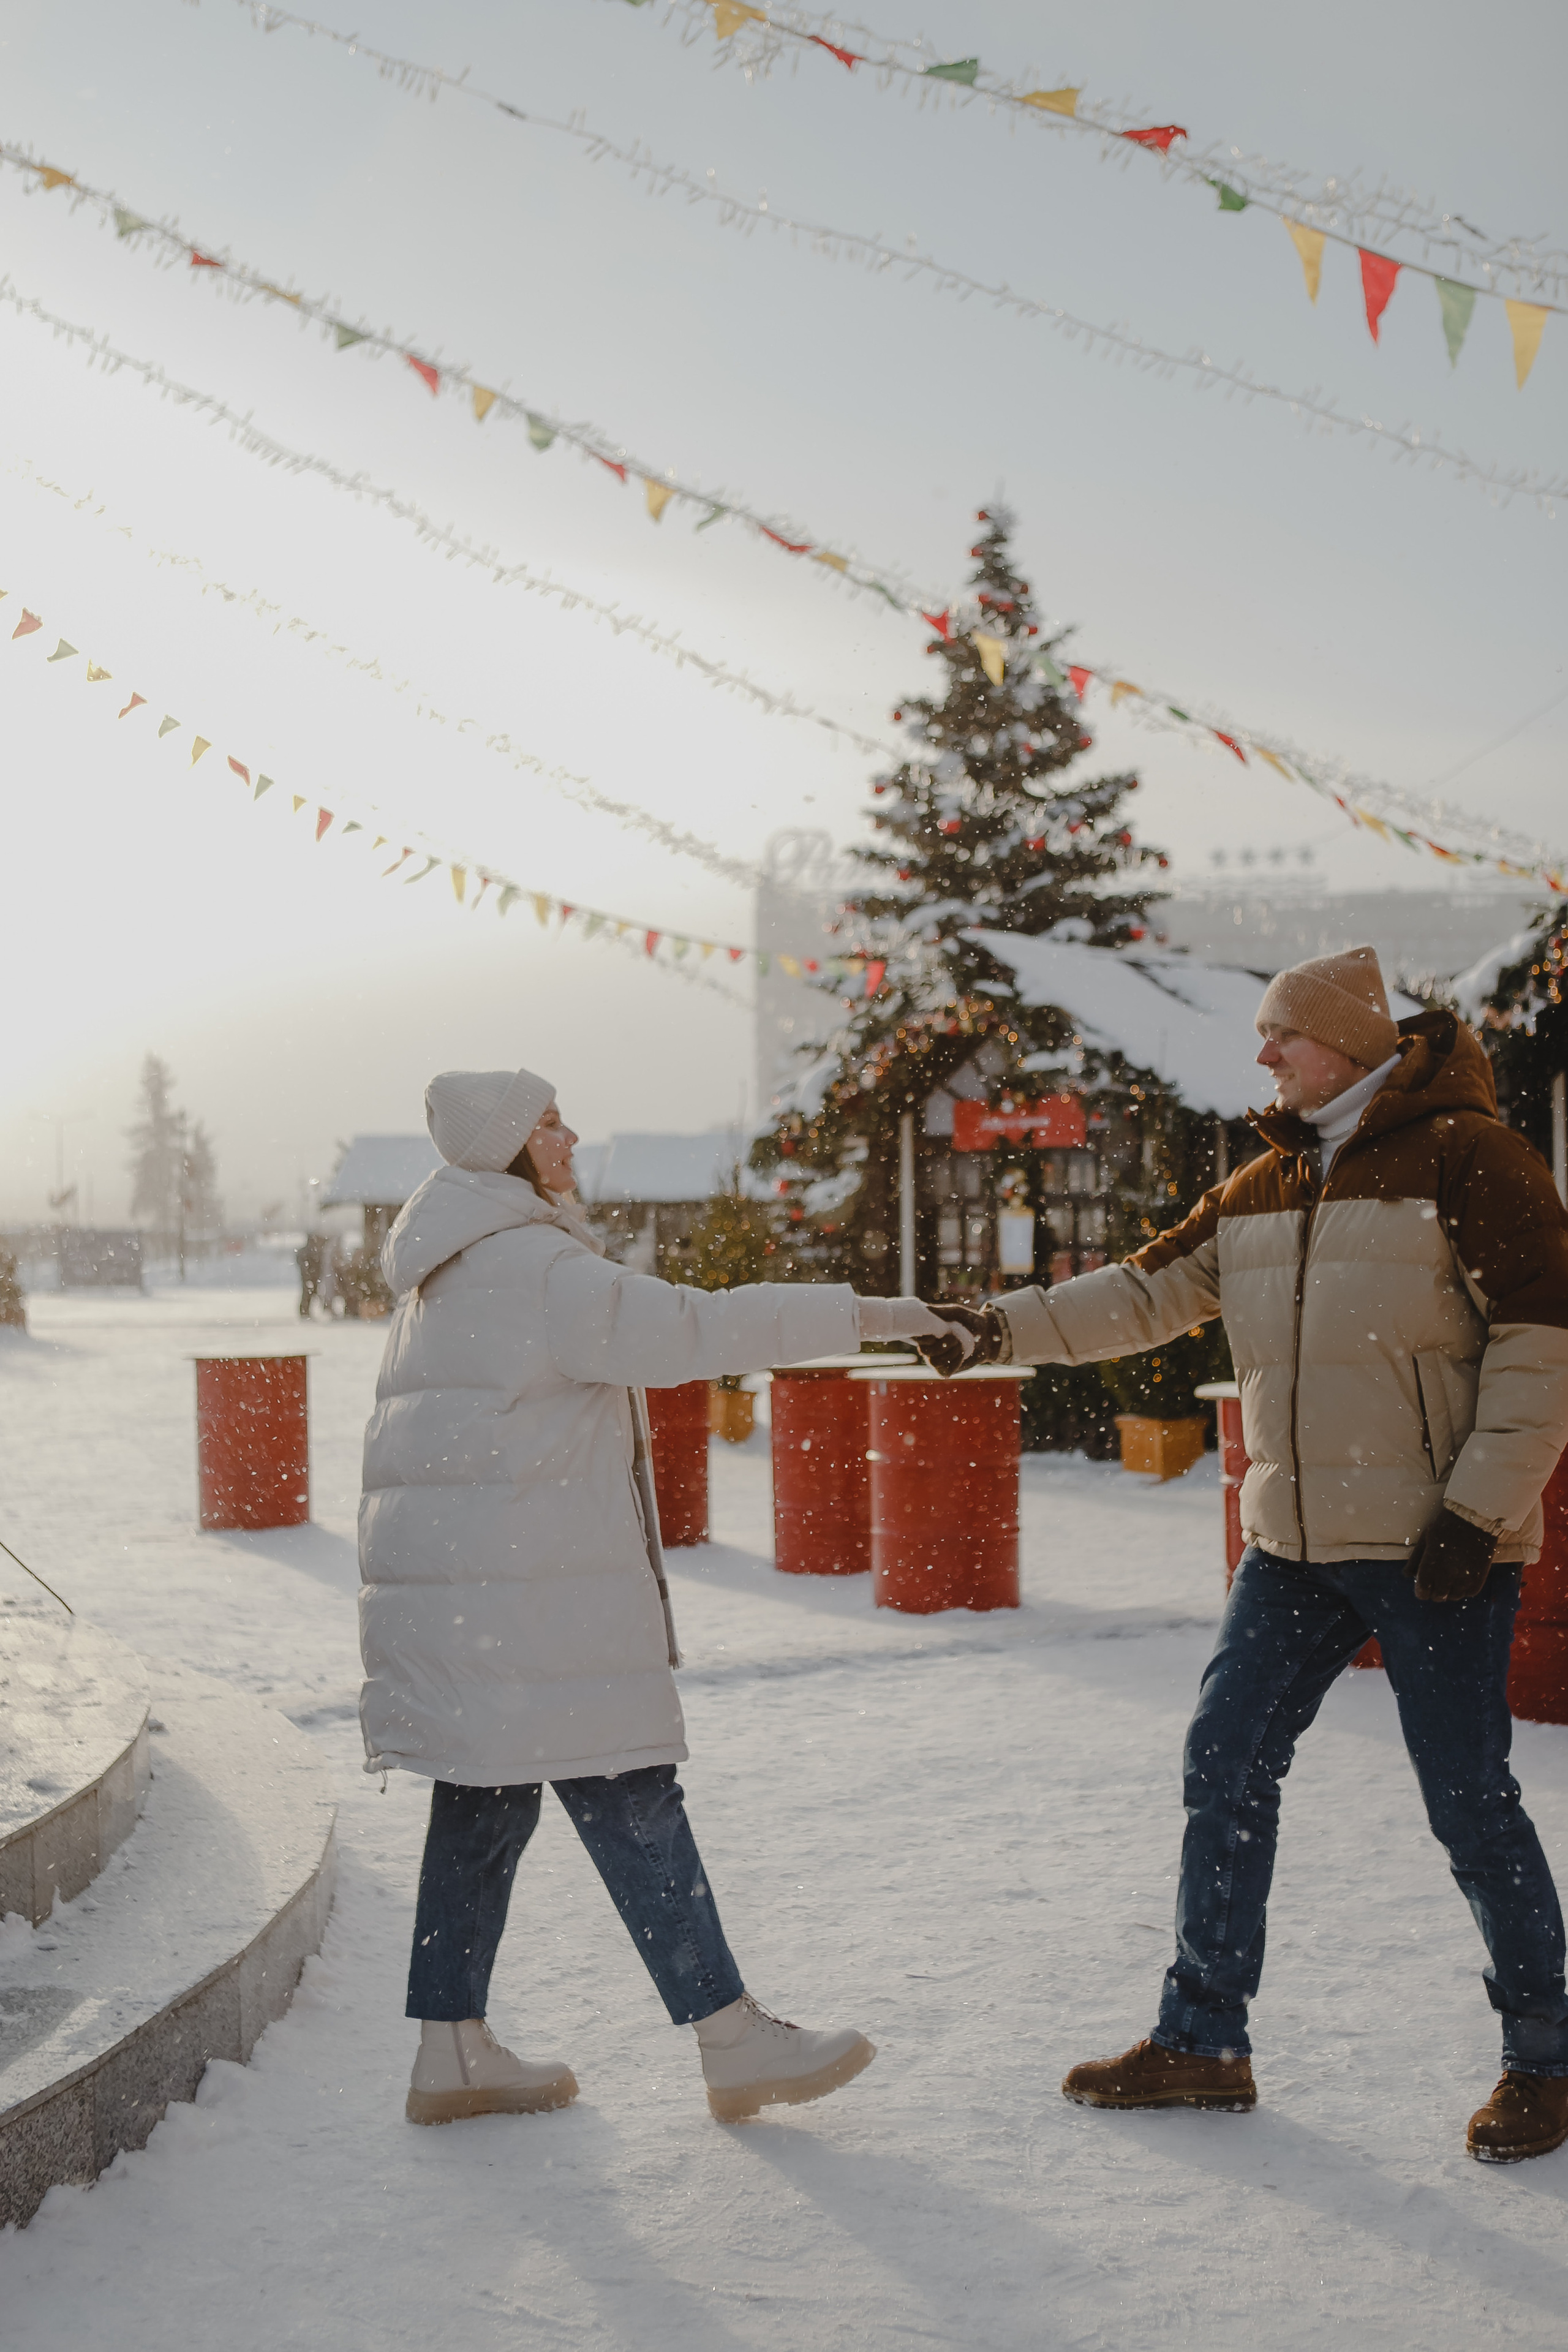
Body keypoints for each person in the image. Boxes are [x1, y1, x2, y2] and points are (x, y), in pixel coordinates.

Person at [931, 947, 1568, 2164]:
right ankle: (1201, 2040)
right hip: (1289, 1543)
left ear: (1345, 1041)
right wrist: (992, 1327)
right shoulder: (1263, 1180)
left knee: (1468, 1806)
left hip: (1435, 1541)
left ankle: (1545, 2059)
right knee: (1222, 1769)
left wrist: (1477, 1514)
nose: (1263, 1054)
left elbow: (1540, 1344)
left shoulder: (1469, 1158)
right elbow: (1141, 1292)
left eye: (1282, 1034)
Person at [360, 1063, 970, 2128]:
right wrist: (886, 1313)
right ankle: (730, 2038)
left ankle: (450, 2052)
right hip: (540, 1604)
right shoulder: (541, 1269)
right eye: (551, 1123)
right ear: (510, 1146)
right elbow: (705, 1326)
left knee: (481, 1802)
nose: (572, 1135)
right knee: (630, 1795)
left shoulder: (441, 1275)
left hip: (476, 1604)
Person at [295, 1229, 324, 1319]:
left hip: (311, 1276)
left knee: (309, 1294)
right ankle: (304, 1311)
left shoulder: (311, 1251)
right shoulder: (310, 1252)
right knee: (307, 1294)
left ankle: (305, 1311)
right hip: (309, 1276)